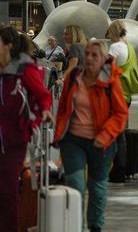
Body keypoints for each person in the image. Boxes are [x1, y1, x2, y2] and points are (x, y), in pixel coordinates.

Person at [54, 40, 128, 232]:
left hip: (101, 142)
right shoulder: (73, 78)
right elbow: (63, 107)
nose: (88, 58)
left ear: (104, 59)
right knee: (76, 185)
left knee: (97, 187)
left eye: (94, 55)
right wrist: (58, 133)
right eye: (87, 53)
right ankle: (76, 226)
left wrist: (105, 135)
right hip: (73, 140)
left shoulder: (111, 82)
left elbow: (120, 114)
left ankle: (95, 227)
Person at [0, 26, 53, 232]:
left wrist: (45, 111)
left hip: (14, 140)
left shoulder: (23, 70)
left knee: (7, 190)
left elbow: (43, 95)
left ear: (8, 46)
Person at [106, 20, 138, 105]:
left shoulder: (114, 47)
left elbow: (108, 69)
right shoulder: (130, 48)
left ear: (113, 32)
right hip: (127, 91)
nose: (109, 36)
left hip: (116, 91)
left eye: (109, 33)